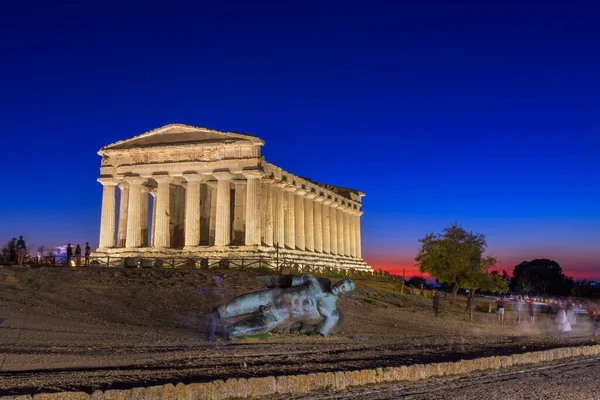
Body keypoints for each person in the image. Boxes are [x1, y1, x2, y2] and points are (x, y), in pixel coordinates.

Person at [210, 274, 356, 339]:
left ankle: (215, 335)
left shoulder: (332, 313)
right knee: (226, 308)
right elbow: (284, 280)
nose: (339, 286)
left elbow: (318, 333)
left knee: (234, 331)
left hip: (277, 316)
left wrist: (290, 328)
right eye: (340, 283)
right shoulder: (312, 281)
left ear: (346, 295)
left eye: (343, 288)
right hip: (269, 297)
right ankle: (208, 321)